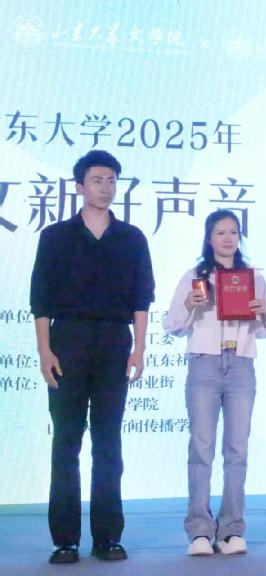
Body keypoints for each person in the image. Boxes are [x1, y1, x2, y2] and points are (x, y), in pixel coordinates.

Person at [30, 150, 155, 564]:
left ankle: (107, 537)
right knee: (66, 441)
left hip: (114, 341)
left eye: (112, 180)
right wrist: (44, 349)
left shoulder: (132, 238)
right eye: (98, 180)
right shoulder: (55, 236)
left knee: (108, 441)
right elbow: (41, 298)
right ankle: (65, 539)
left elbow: (142, 299)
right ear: (80, 186)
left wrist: (139, 347)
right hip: (67, 340)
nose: (106, 188)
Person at [163, 209, 266, 555]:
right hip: (205, 364)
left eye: (233, 232)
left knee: (237, 449)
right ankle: (199, 530)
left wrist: (263, 312)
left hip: (241, 363)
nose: (228, 238)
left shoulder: (254, 277)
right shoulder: (194, 276)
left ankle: (231, 530)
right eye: (221, 232)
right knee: (201, 447)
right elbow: (171, 326)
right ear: (209, 238)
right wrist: (189, 305)